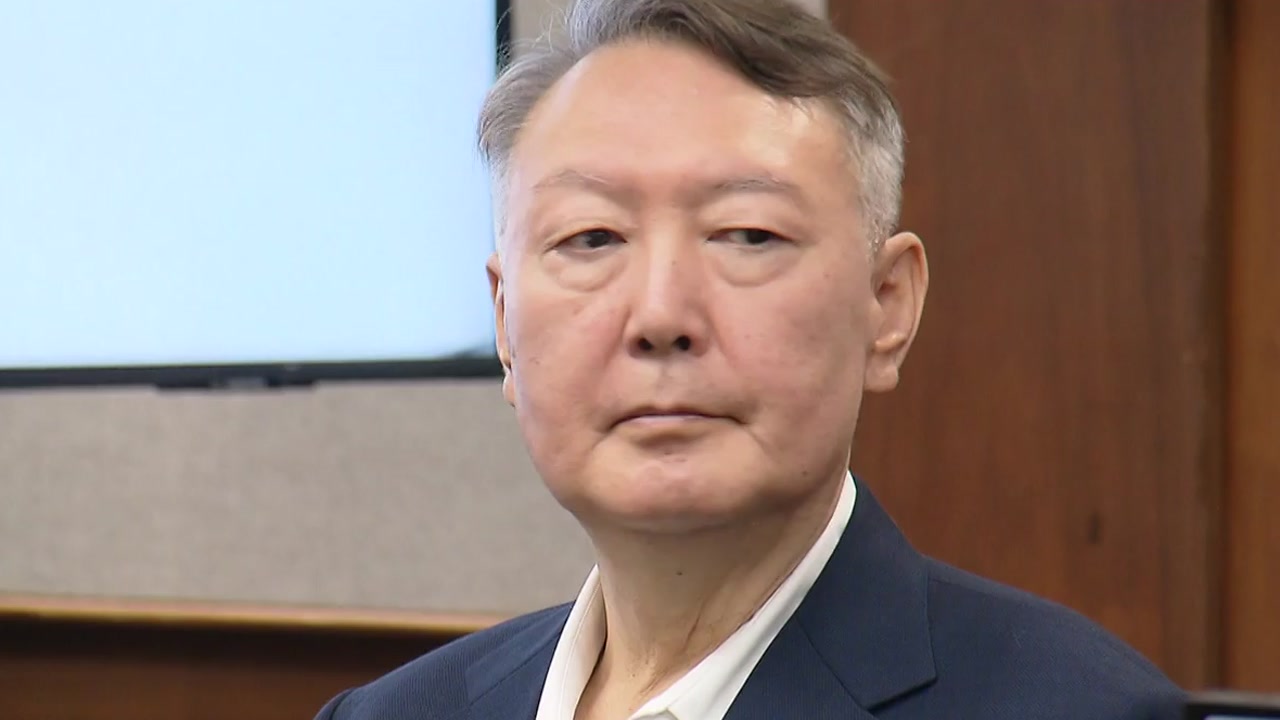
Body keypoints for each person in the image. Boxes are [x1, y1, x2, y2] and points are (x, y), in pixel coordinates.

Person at [316, 0, 1185, 718]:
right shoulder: (390, 713)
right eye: (591, 238)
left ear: (887, 306)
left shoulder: (1081, 707)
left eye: (747, 235)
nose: (661, 315)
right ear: (506, 324)